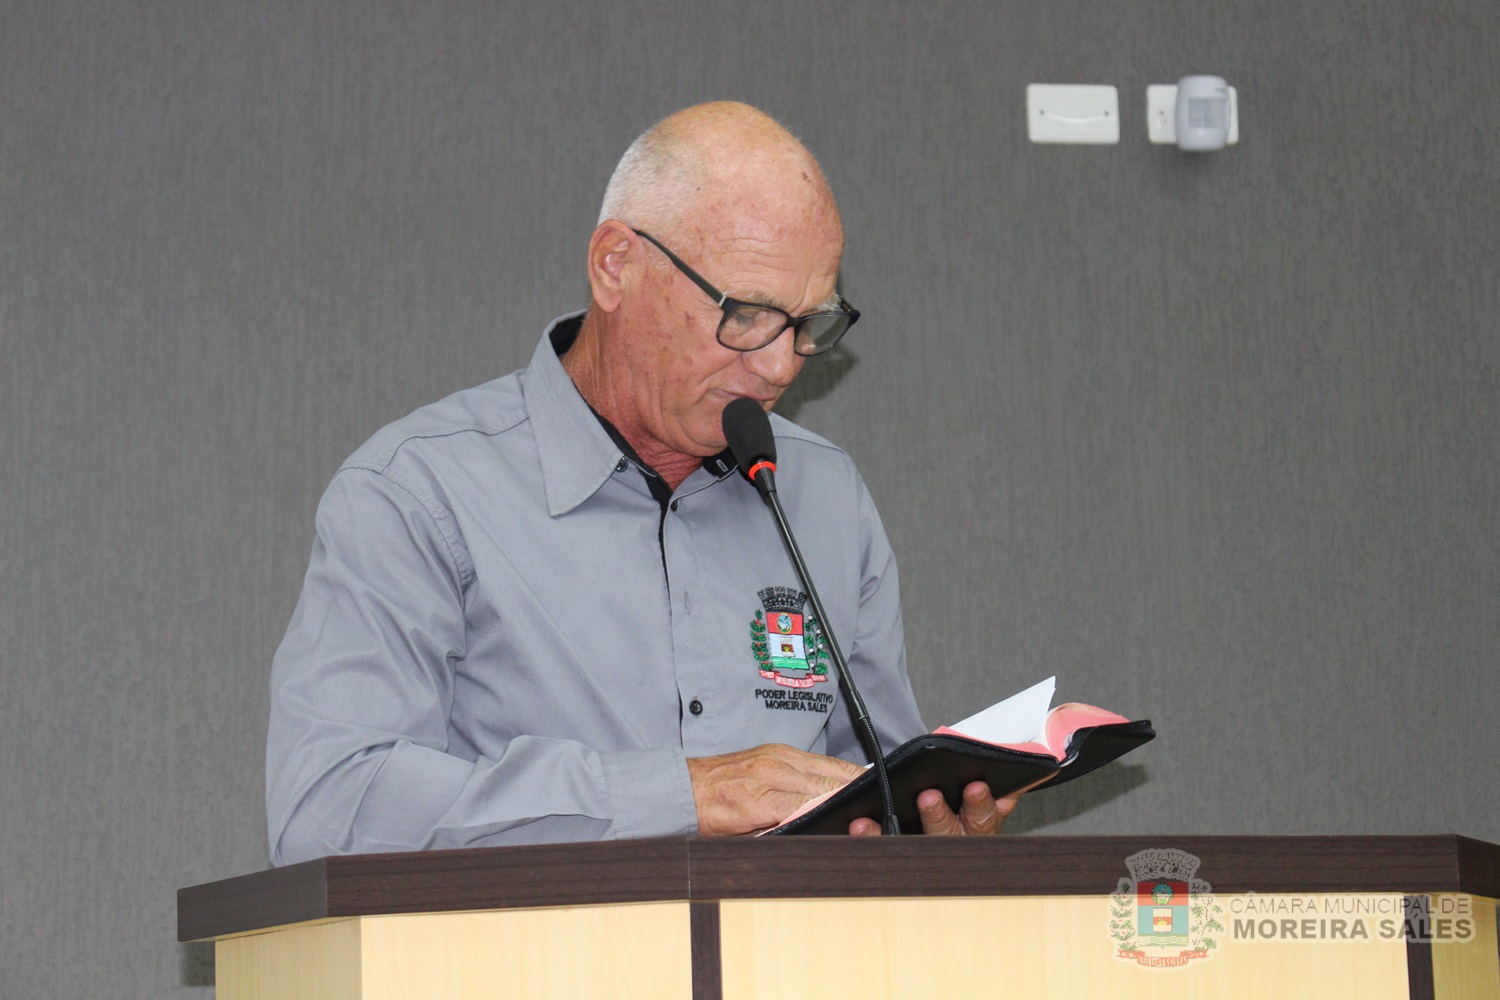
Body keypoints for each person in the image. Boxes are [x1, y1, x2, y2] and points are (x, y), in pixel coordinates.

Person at [266, 102, 1029, 865]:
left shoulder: (825, 496)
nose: (779, 366)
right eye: (747, 314)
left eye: (808, 324)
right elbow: (327, 810)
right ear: (615, 266)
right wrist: (687, 796)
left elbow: (875, 793)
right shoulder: (418, 491)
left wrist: (932, 836)